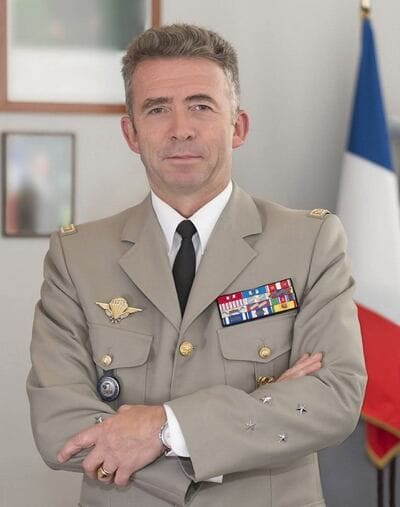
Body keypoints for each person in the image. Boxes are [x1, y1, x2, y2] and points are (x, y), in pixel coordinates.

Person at [27, 24, 366, 507]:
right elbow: (59, 426)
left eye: (201, 106)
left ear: (238, 127)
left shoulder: (309, 242)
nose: (181, 128)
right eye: (157, 108)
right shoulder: (77, 256)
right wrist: (254, 417)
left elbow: (332, 398)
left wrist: (164, 429)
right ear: (131, 133)